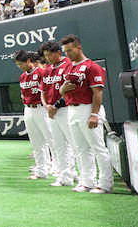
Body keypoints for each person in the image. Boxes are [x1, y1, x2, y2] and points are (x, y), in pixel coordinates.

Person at [59, 35, 113, 194]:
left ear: (79, 47)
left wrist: (94, 114)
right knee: (81, 149)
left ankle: (105, 184)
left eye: (70, 50)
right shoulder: (69, 68)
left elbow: (98, 92)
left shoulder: (92, 66)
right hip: (72, 109)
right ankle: (87, 181)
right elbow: (63, 91)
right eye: (65, 51)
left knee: (98, 148)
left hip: (88, 108)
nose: (68, 54)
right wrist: (62, 90)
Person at [40, 40, 77, 187]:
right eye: (45, 55)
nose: (48, 58)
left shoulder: (68, 64)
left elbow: (70, 89)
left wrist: (55, 105)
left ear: (58, 53)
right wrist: (46, 106)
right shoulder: (47, 69)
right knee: (59, 146)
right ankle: (64, 177)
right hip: (51, 112)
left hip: (66, 109)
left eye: (50, 55)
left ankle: (82, 176)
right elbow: (43, 91)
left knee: (75, 144)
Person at [17, 50, 53, 180]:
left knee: (51, 139)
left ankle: (58, 169)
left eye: (21, 64)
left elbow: (48, 91)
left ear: (28, 61)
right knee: (36, 143)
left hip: (41, 108)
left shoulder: (41, 72)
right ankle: (41, 171)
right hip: (28, 109)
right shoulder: (22, 77)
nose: (20, 67)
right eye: (18, 65)